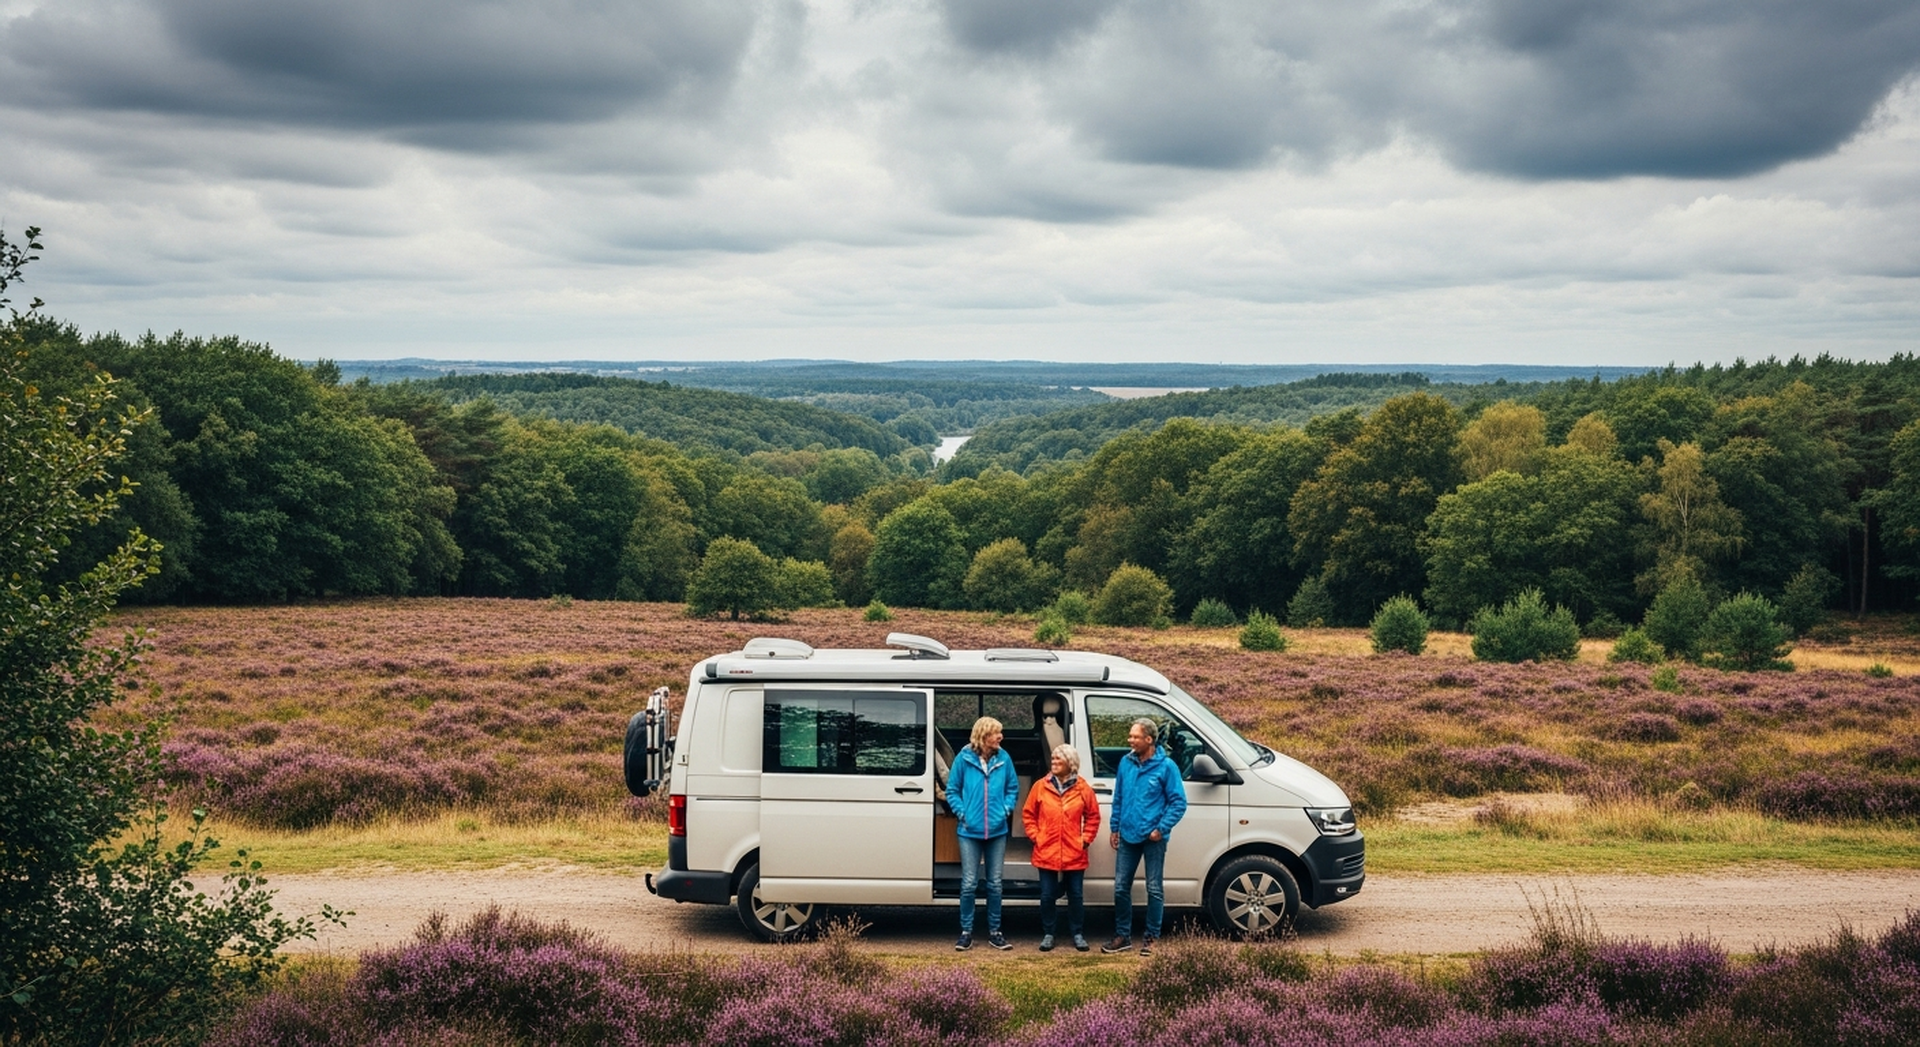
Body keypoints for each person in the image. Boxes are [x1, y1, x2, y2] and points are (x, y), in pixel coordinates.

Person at [1103, 717, 1187, 955]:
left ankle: (1152, 938)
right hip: (1128, 835)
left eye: (1135, 736)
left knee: (1154, 888)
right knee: (1121, 887)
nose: (1130, 740)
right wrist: (1115, 827)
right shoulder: (1125, 763)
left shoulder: (1166, 766)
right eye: (1130, 736)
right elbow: (1119, 797)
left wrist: (1161, 828)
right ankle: (1123, 936)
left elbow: (1178, 803)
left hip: (1154, 838)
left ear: (1149, 740)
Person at [947, 715, 1019, 950]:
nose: (1001, 737)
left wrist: (1005, 810)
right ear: (984, 736)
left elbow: (1012, 788)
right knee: (969, 884)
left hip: (997, 831)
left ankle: (995, 931)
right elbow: (952, 790)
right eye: (996, 733)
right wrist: (963, 814)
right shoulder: (963, 758)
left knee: (995, 884)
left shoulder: (1004, 758)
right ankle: (966, 932)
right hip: (969, 831)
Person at [1021, 743, 1101, 953]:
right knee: (1047, 895)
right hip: (1046, 849)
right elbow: (1028, 814)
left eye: (1059, 759)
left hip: (1074, 850)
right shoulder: (1040, 786)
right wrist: (1036, 836)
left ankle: (1077, 933)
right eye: (1053, 758)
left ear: (1070, 763)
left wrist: (1085, 839)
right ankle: (1049, 933)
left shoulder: (1083, 788)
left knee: (1076, 895)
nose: (1054, 762)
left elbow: (1093, 816)